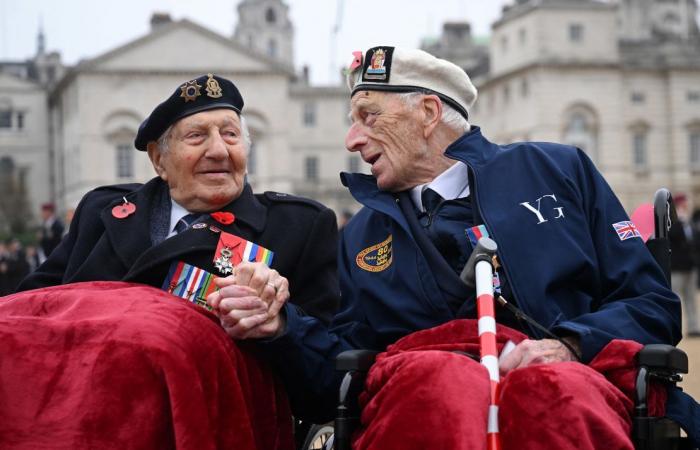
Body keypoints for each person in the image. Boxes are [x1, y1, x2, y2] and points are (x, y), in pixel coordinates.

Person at [223, 47, 696, 448]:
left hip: (570, 386)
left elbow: (652, 306)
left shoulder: (558, 170)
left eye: (368, 116)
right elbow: (337, 375)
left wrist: (569, 345)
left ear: (428, 114)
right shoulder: (359, 235)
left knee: (552, 392)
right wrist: (281, 325)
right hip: (422, 396)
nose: (352, 139)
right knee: (437, 389)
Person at [6, 73, 339, 449]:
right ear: (158, 159)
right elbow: (30, 314)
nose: (218, 150)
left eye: (230, 135)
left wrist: (279, 325)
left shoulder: (298, 226)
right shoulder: (102, 212)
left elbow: (327, 382)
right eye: (197, 137)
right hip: (71, 422)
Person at [670, 193, 699, 336]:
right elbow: (672, 238)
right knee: (676, 299)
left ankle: (694, 327)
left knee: (691, 298)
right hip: (676, 268)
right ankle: (676, 328)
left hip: (690, 267)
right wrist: (679, 222)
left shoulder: (690, 223)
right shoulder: (672, 223)